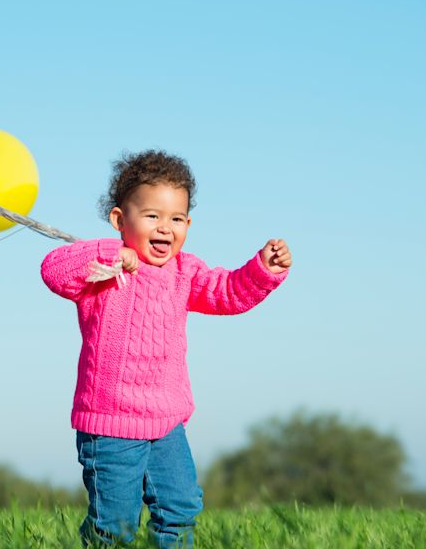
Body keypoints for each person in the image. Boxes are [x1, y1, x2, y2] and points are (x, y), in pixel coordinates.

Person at [40, 149, 291, 548]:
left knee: (180, 507)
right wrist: (111, 253)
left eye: (176, 219)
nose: (164, 228)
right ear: (120, 220)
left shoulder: (185, 272)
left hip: (167, 423)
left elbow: (227, 291)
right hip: (110, 426)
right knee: (114, 525)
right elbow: (54, 269)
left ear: (187, 224)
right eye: (152, 216)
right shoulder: (105, 271)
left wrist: (263, 270)